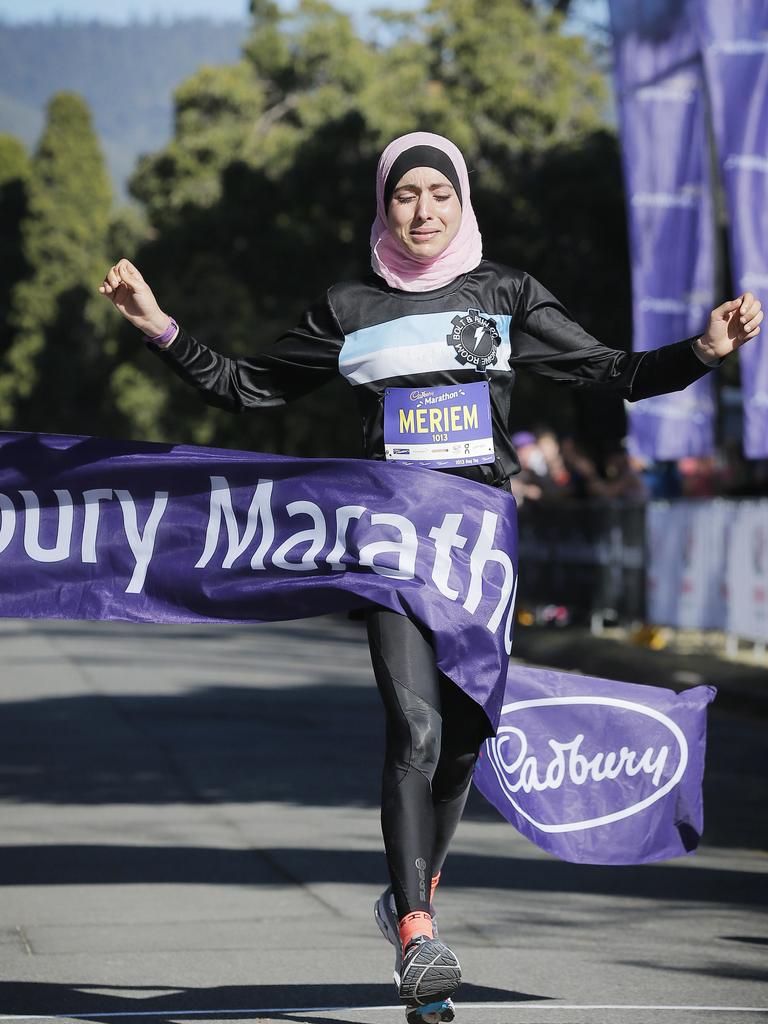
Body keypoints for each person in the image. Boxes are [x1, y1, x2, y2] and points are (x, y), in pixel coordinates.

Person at [99, 131, 763, 1023]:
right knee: (412, 723)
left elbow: (611, 373)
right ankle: (417, 930)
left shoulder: (506, 294)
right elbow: (247, 386)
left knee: (462, 737)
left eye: (438, 195)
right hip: (392, 546)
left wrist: (703, 350)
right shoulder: (349, 307)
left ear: (460, 203)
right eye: (406, 194)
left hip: (480, 551)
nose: (423, 210)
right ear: (384, 204)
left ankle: (412, 895)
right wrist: (161, 328)